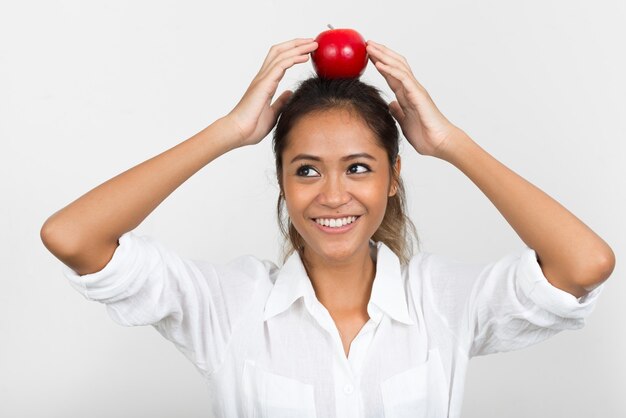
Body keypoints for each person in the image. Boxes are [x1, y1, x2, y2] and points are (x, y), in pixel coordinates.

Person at [40, 38, 615, 417]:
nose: (333, 195)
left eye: (359, 168)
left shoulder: (441, 301)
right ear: (283, 183)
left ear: (393, 178)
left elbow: (583, 264)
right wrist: (228, 131)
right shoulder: (232, 306)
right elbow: (73, 236)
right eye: (307, 170)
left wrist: (449, 142)